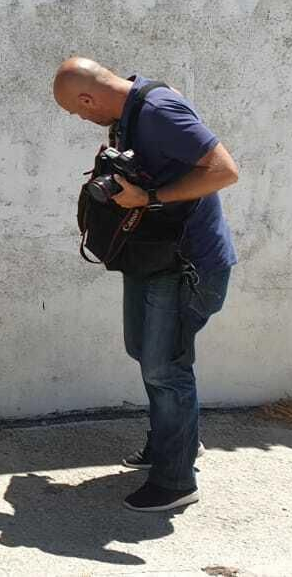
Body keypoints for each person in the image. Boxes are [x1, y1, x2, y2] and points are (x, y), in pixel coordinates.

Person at [53, 57, 239, 513]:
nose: (82, 119)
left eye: (78, 112)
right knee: (144, 349)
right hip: (154, 258)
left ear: (88, 97)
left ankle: (176, 481)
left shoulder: (158, 112)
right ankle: (171, 444)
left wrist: (148, 197)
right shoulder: (133, 109)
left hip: (187, 263)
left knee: (165, 366)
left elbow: (224, 171)